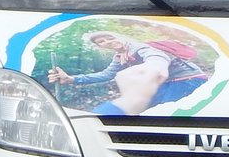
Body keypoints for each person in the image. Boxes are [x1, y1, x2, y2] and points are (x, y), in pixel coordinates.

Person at [47, 30, 208, 116]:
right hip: (166, 84)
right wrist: (71, 79)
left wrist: (154, 68)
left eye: (108, 38)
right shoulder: (119, 57)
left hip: (187, 80)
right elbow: (106, 75)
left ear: (117, 36)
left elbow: (156, 57)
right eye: (101, 42)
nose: (107, 42)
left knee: (164, 114)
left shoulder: (138, 47)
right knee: (138, 110)